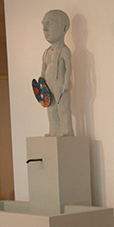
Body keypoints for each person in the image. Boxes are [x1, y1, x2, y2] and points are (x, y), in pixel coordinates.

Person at [41, 9, 74, 137]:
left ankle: (66, 130)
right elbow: (43, 69)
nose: (45, 28)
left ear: (64, 28)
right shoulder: (46, 52)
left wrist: (66, 83)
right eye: (43, 24)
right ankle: (54, 130)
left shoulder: (64, 51)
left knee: (63, 108)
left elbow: (68, 68)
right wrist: (41, 83)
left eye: (49, 23)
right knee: (51, 108)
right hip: (48, 85)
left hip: (60, 84)